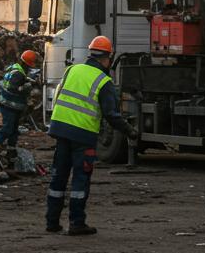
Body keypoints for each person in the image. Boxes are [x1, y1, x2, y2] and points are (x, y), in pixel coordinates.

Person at [45, 35, 138, 235]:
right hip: (83, 134)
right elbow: (112, 115)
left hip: (60, 129)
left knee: (59, 176)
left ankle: (52, 222)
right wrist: (130, 131)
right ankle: (77, 223)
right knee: (80, 179)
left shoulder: (72, 70)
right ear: (107, 58)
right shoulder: (104, 81)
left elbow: (59, 96)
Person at [0, 49, 39, 148]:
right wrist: (28, 86)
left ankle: (11, 151)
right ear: (27, 64)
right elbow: (13, 88)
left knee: (14, 131)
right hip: (10, 106)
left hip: (8, 104)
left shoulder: (15, 68)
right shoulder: (18, 74)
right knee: (6, 130)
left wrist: (29, 80)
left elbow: (18, 80)